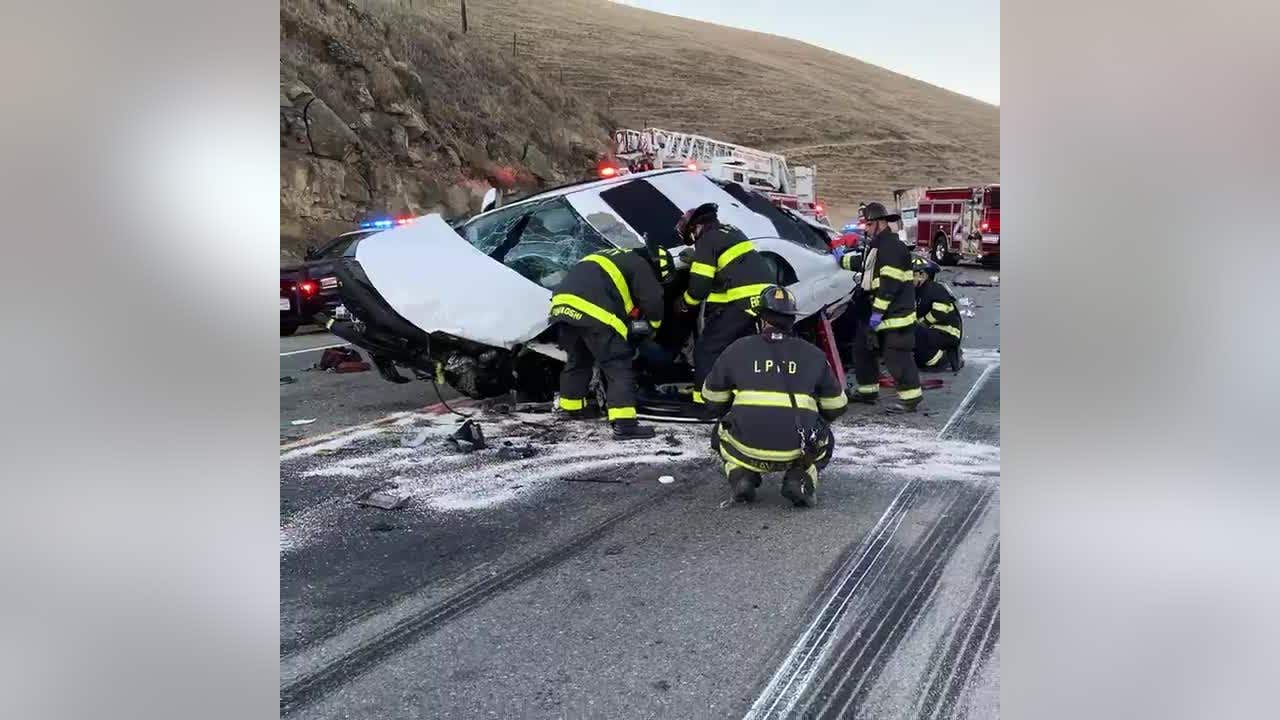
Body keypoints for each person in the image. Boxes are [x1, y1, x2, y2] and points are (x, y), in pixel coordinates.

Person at [701, 285, 849, 507]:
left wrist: (737, 412)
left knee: (718, 433)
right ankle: (800, 478)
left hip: (745, 447)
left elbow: (712, 399)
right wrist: (814, 419)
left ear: (761, 319)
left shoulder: (737, 349)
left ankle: (741, 474)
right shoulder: (813, 354)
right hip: (795, 450)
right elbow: (837, 405)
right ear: (792, 320)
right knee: (826, 439)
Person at [549, 245, 672, 439]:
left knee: (578, 360)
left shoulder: (608, 255)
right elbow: (653, 299)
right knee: (617, 365)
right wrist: (652, 326)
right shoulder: (641, 264)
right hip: (594, 312)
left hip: (562, 309)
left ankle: (570, 409)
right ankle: (625, 425)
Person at [673, 202, 774, 408]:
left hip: (741, 300)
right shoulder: (730, 231)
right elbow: (727, 273)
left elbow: (700, 287)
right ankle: (739, 394)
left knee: (707, 349)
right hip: (762, 299)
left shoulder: (707, 239)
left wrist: (684, 303)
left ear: (696, 228)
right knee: (740, 350)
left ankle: (703, 400)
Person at [844, 202, 923, 413]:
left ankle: (910, 399)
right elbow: (865, 265)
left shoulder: (892, 247)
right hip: (877, 312)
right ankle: (868, 391)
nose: (866, 229)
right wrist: (838, 258)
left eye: (869, 224)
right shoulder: (878, 245)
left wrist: (876, 315)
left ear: (880, 223)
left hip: (895, 315)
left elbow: (890, 285)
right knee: (862, 348)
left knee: (896, 355)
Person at [911, 256, 963, 369]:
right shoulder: (919, 291)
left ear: (922, 275)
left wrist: (921, 323)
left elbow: (939, 312)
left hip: (947, 332)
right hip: (933, 331)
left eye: (912, 275)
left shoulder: (934, 288)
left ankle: (948, 358)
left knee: (916, 333)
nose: (909, 278)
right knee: (919, 359)